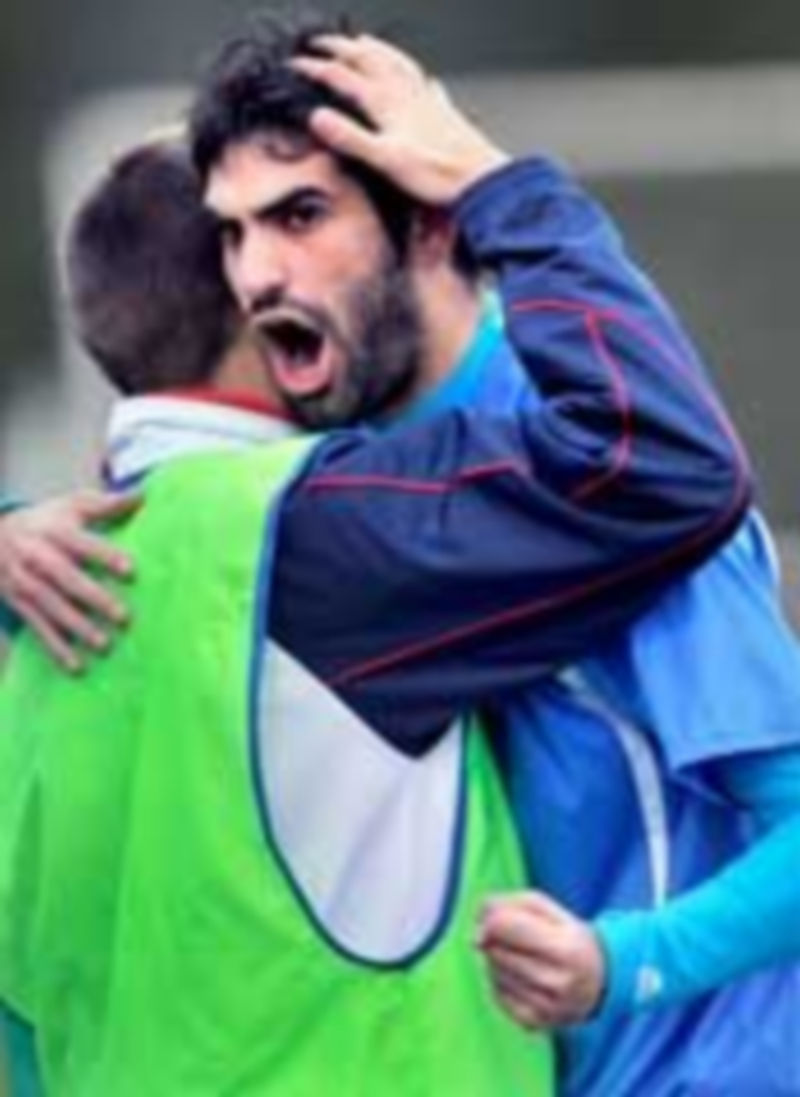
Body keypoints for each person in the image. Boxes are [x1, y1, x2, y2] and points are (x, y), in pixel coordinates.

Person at [3, 17, 791, 1096]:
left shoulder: (614, 485)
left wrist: (630, 959)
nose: (255, 273)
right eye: (232, 233)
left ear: (426, 221)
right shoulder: (349, 482)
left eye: (300, 215)